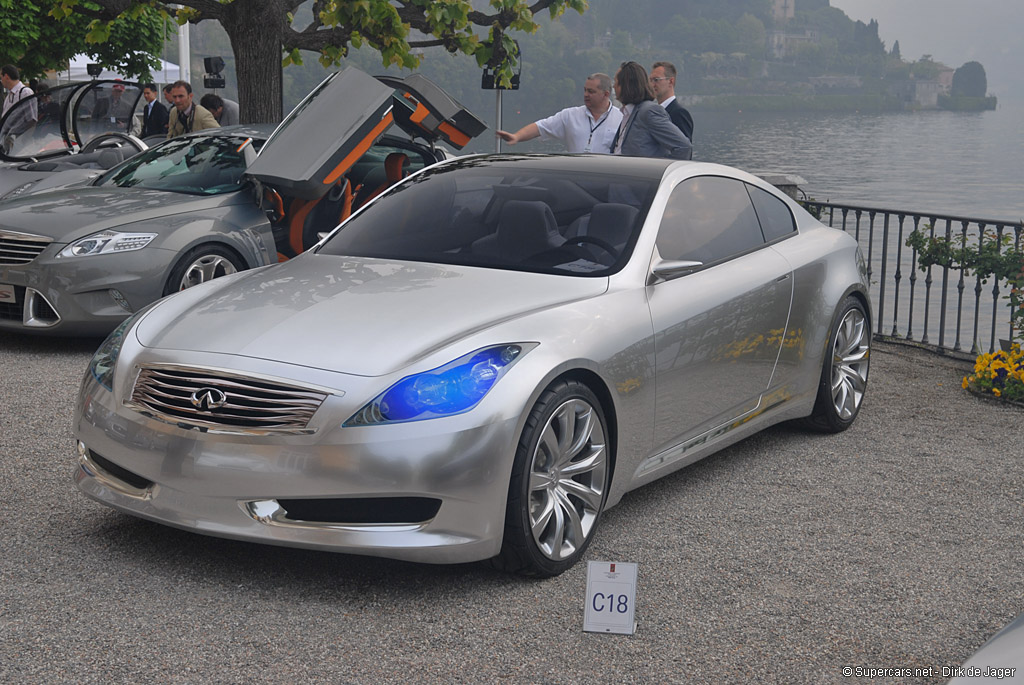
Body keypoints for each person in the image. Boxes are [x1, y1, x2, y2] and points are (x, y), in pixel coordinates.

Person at [496, 73, 621, 153]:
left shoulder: (621, 119)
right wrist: (516, 137)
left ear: (606, 94)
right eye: (585, 90)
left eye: (591, 91)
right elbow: (540, 127)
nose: (585, 95)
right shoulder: (570, 115)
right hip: (575, 183)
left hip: (606, 184)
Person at [610, 62, 691, 160]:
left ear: (626, 85)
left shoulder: (649, 112)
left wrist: (659, 171)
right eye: (651, 80)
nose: (613, 87)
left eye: (615, 82)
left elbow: (684, 147)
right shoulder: (628, 114)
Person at [650, 61, 694, 143]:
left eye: (656, 80)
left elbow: (684, 149)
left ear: (671, 81)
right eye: (651, 80)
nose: (652, 85)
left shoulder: (679, 113)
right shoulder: (654, 112)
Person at [1, 64, 37, 153]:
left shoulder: (25, 93)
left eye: (1, 77)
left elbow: (31, 119)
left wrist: (15, 136)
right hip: (8, 142)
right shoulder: (9, 96)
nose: (1, 80)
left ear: (6, 77)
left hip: (19, 145)